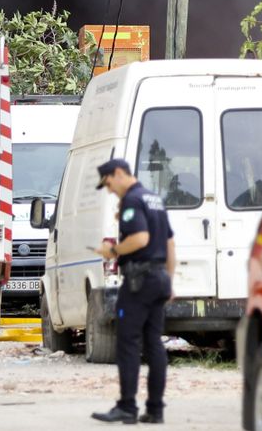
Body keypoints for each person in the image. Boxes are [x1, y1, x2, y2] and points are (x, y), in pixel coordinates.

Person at [91, 158, 175, 425]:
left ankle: (127, 407)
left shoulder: (132, 200)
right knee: (154, 344)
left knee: (127, 342)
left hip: (139, 281)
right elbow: (170, 244)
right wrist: (169, 280)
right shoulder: (154, 199)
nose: (110, 190)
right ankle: (155, 409)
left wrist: (112, 250)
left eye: (108, 184)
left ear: (118, 174)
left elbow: (140, 239)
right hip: (159, 277)